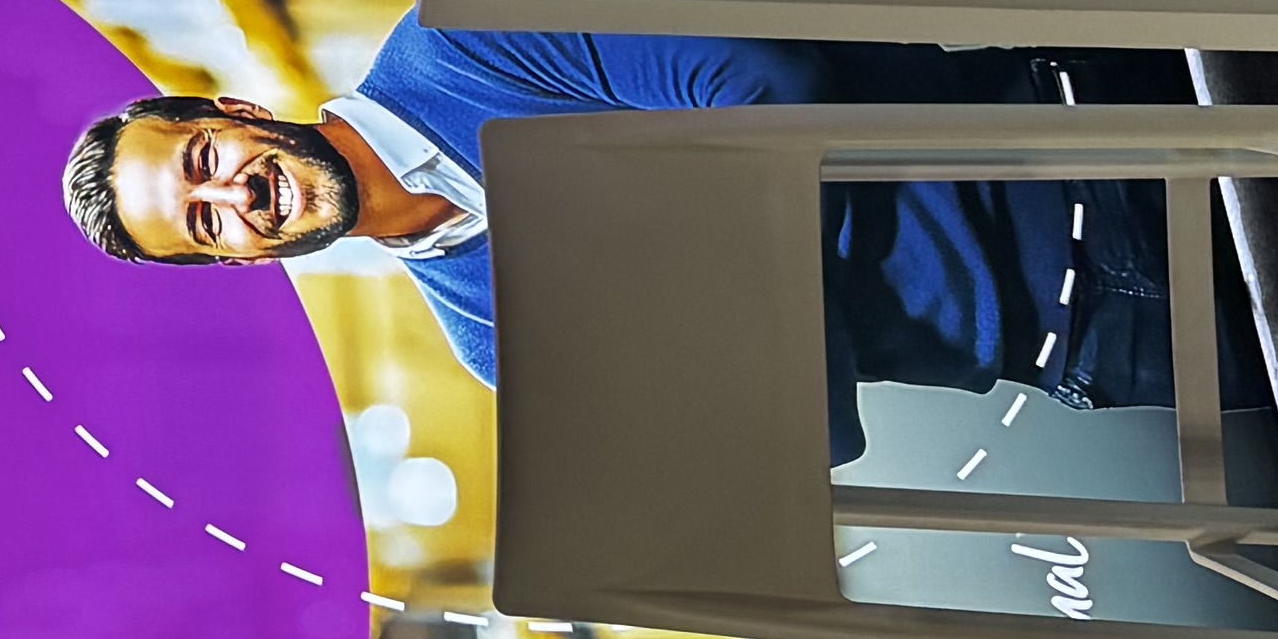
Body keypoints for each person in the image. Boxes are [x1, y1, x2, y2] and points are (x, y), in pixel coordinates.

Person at [59, 29, 1193, 466]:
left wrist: (764, 323)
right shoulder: (495, 346)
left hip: (1075, 153)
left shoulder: (457, 46)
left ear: (239, 115)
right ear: (241, 266)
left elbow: (763, 83)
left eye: (203, 158)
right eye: (204, 223)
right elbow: (795, 437)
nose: (234, 196)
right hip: (1088, 351)